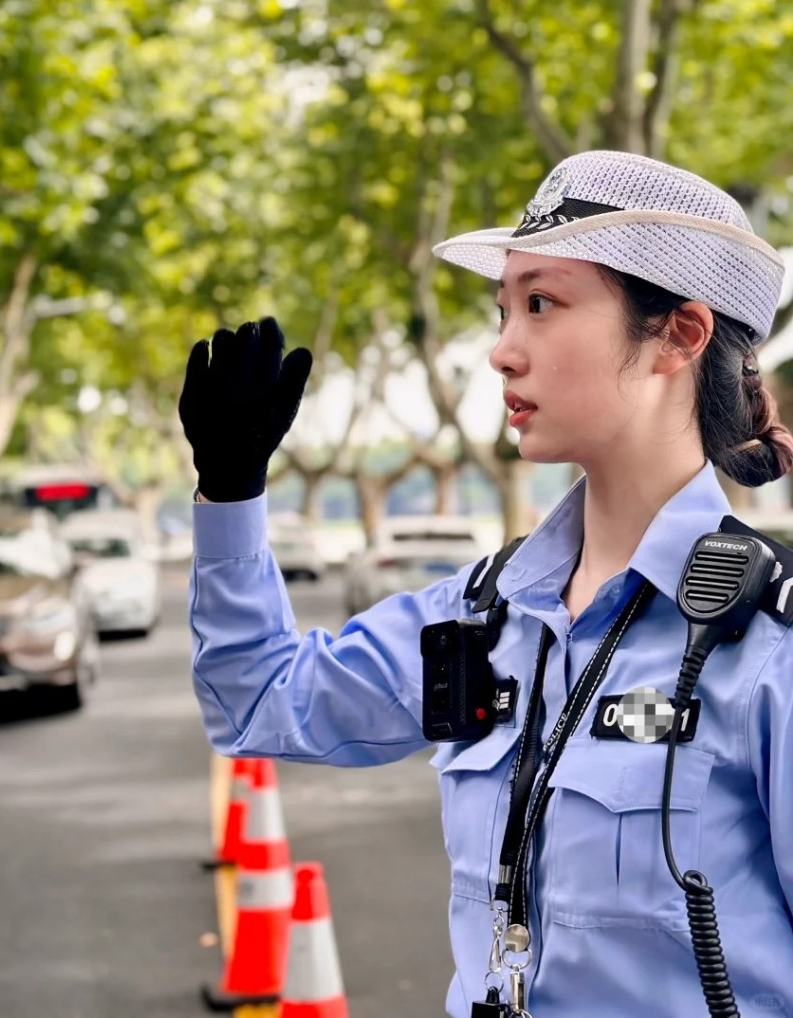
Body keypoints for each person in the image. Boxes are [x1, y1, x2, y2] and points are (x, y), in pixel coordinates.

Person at [177, 150, 793, 1018]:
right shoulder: (487, 613)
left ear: (679, 337)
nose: (503, 351)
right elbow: (256, 702)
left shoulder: (769, 647)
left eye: (542, 304)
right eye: (504, 310)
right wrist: (230, 492)